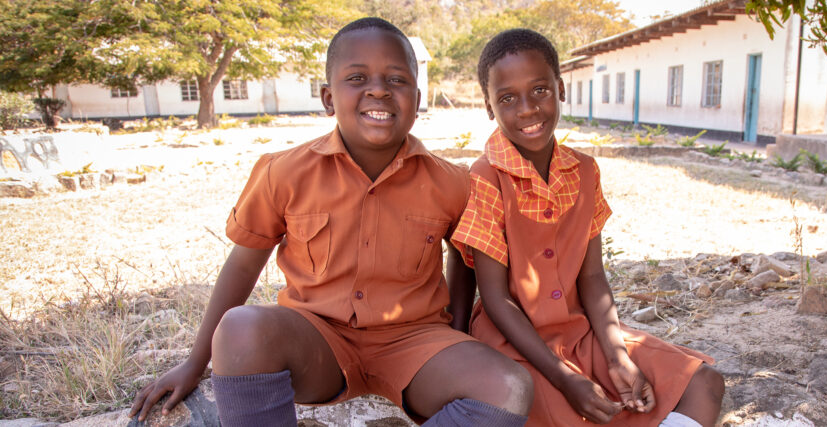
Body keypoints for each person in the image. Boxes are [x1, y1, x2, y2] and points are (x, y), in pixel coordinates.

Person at [129, 17, 532, 427]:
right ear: (327, 97)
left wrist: (458, 335)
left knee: (508, 387)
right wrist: (196, 363)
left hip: (416, 343)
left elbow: (463, 260)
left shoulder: (453, 182)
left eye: (396, 80)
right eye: (357, 77)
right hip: (316, 340)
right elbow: (244, 264)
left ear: (417, 96)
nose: (378, 89)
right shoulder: (282, 172)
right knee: (241, 327)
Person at [451, 28, 725, 427]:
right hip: (513, 343)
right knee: (562, 412)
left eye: (540, 90)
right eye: (508, 98)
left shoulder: (583, 171)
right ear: (489, 107)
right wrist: (565, 379)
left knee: (703, 384)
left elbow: (593, 277)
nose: (527, 109)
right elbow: (495, 298)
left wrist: (618, 357)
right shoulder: (486, 177)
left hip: (581, 333)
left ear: (561, 89)